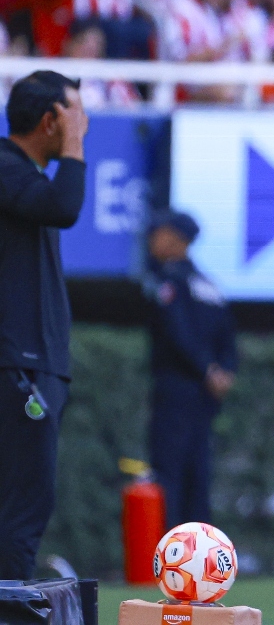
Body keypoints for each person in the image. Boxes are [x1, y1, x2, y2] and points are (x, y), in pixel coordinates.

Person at [0, 71, 88, 579]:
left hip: (30, 364)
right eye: (75, 114)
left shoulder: (21, 176)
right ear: (50, 120)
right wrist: (74, 145)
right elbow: (64, 207)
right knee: (22, 508)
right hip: (20, 365)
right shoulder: (7, 167)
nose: (84, 125)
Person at [145, 210, 238, 529]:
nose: (152, 240)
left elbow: (177, 333)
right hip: (206, 396)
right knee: (199, 472)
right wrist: (223, 371)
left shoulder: (170, 281)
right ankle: (204, 557)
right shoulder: (209, 284)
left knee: (169, 472)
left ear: (175, 239)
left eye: (158, 233)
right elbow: (229, 337)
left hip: (176, 389)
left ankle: (170, 556)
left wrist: (205, 370)